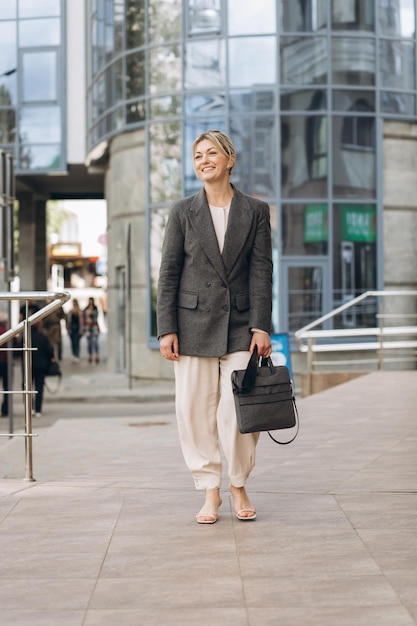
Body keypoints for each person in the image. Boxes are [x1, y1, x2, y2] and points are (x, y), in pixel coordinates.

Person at [157, 129, 273, 524]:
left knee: (238, 410)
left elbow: (261, 272)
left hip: (241, 324)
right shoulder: (182, 212)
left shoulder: (255, 211)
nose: (204, 160)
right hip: (191, 324)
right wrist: (166, 327)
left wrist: (261, 325)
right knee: (193, 410)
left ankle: (237, 482)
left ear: (229, 159)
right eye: (197, 155)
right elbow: (169, 272)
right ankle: (210, 490)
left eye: (211, 153)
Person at [31, 322, 55, 417]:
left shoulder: (27, 337)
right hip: (41, 365)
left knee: (27, 387)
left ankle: (30, 408)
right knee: (39, 388)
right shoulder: (43, 337)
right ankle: (38, 410)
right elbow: (49, 351)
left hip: (29, 365)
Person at [83, 297, 100, 363]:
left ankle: (96, 355)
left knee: (95, 342)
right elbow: (84, 317)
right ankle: (90, 355)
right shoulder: (86, 309)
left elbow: (96, 317)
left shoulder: (95, 309)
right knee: (89, 343)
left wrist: (91, 314)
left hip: (94, 327)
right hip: (88, 328)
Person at [66, 298, 83, 362]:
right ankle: (73, 354)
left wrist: (81, 330)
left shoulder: (79, 312)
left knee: (77, 343)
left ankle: (77, 354)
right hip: (72, 329)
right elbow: (68, 321)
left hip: (77, 329)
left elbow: (81, 322)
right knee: (72, 343)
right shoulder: (70, 311)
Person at [0, 312, 9, 417]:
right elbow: (15, 343)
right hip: (5, 363)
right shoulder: (6, 332)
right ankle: (5, 409)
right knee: (7, 388)